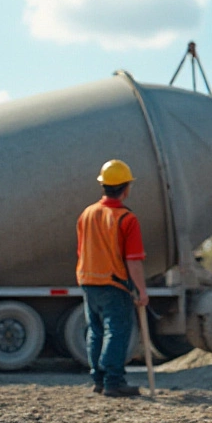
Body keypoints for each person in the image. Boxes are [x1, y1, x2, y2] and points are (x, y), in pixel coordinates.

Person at [76, 159, 148, 398]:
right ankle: (113, 381)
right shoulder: (126, 219)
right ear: (126, 188)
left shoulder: (87, 213)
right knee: (116, 331)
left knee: (95, 331)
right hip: (113, 283)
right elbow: (133, 260)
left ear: (104, 186)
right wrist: (142, 291)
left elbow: (81, 250)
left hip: (88, 282)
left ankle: (98, 379)